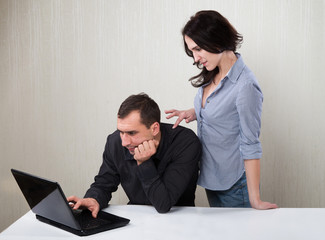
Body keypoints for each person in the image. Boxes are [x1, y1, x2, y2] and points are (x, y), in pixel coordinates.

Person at [165, 10, 277, 209]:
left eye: (198, 49)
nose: (196, 58)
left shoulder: (245, 86)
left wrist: (255, 200)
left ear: (216, 39)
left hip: (234, 184)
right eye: (192, 51)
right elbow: (222, 109)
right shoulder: (213, 72)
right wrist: (193, 112)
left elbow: (250, 143)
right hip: (212, 177)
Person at [68, 93, 201, 216]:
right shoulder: (115, 142)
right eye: (121, 131)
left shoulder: (185, 142)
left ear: (154, 128)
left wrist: (144, 162)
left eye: (132, 133)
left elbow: (163, 204)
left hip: (179, 219)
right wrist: (93, 199)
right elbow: (104, 184)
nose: (124, 142)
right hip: (136, 218)